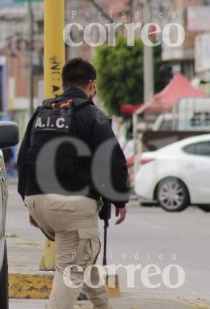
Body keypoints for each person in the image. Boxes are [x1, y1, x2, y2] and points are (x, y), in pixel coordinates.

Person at [17, 58, 130, 309]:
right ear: (91, 85)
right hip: (72, 207)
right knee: (71, 270)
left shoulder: (41, 113)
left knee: (83, 261)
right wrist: (120, 199)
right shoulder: (92, 115)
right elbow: (112, 160)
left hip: (37, 201)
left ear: (63, 83)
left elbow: (23, 159)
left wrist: (31, 203)